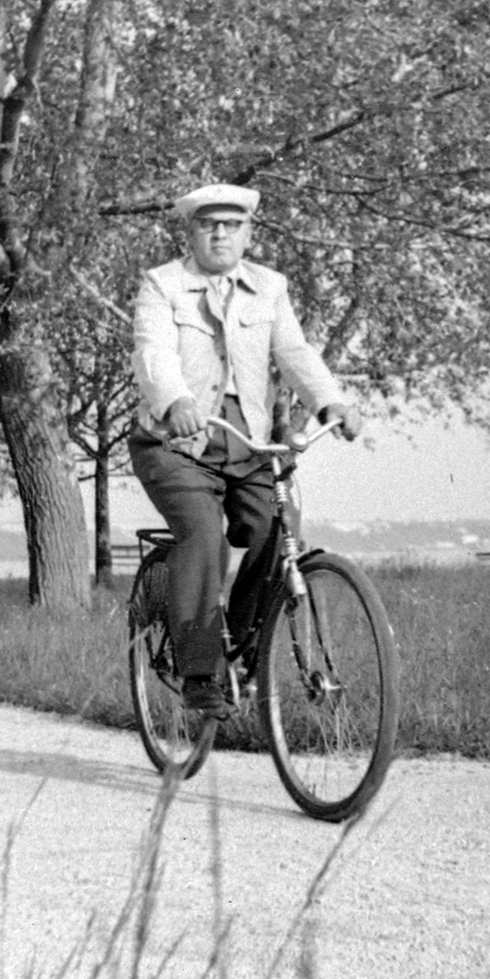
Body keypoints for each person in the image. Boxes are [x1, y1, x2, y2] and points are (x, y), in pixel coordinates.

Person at [129, 183, 362, 719]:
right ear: (190, 232)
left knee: (279, 529)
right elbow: (153, 352)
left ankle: (247, 648)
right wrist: (175, 399)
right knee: (203, 534)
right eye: (209, 224)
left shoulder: (269, 286)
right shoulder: (162, 284)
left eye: (231, 225)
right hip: (176, 442)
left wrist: (330, 402)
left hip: (246, 443)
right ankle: (197, 669)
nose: (220, 233)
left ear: (247, 232)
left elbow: (294, 352)